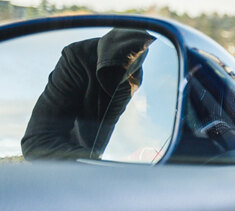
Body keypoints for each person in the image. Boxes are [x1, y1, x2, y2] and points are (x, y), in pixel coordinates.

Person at [20, 28, 157, 160]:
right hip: (74, 175)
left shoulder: (156, 71)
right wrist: (96, 165)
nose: (143, 102)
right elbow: (37, 144)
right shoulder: (80, 58)